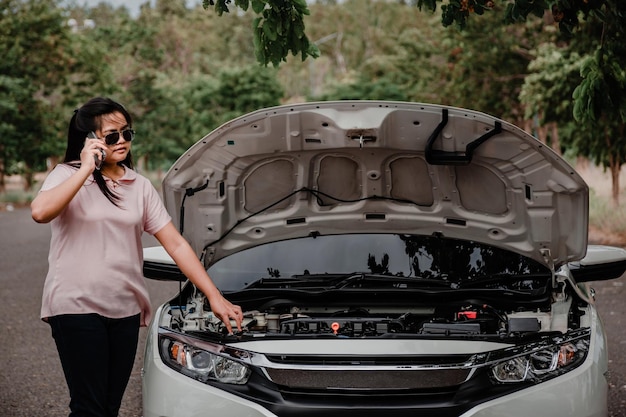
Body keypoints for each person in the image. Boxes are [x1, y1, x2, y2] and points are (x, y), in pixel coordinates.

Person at [31, 97, 243, 417]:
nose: (122, 142)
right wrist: (86, 168)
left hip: (125, 309)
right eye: (111, 135)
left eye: (127, 133)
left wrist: (214, 295)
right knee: (89, 408)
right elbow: (40, 212)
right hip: (75, 304)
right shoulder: (66, 175)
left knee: (110, 407)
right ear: (90, 140)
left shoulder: (139, 186)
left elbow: (176, 245)